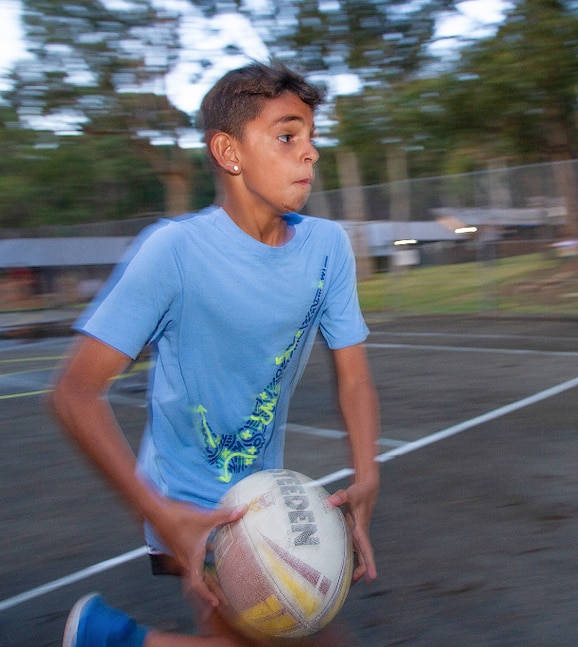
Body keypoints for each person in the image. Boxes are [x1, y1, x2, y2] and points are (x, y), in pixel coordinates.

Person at [50, 60, 380, 647]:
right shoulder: (173, 252)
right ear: (229, 152)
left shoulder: (328, 249)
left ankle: (111, 637)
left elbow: (353, 378)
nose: (310, 153)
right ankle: (112, 637)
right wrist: (159, 512)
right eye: (286, 136)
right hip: (186, 500)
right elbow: (74, 393)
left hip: (263, 495)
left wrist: (369, 475)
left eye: (311, 137)